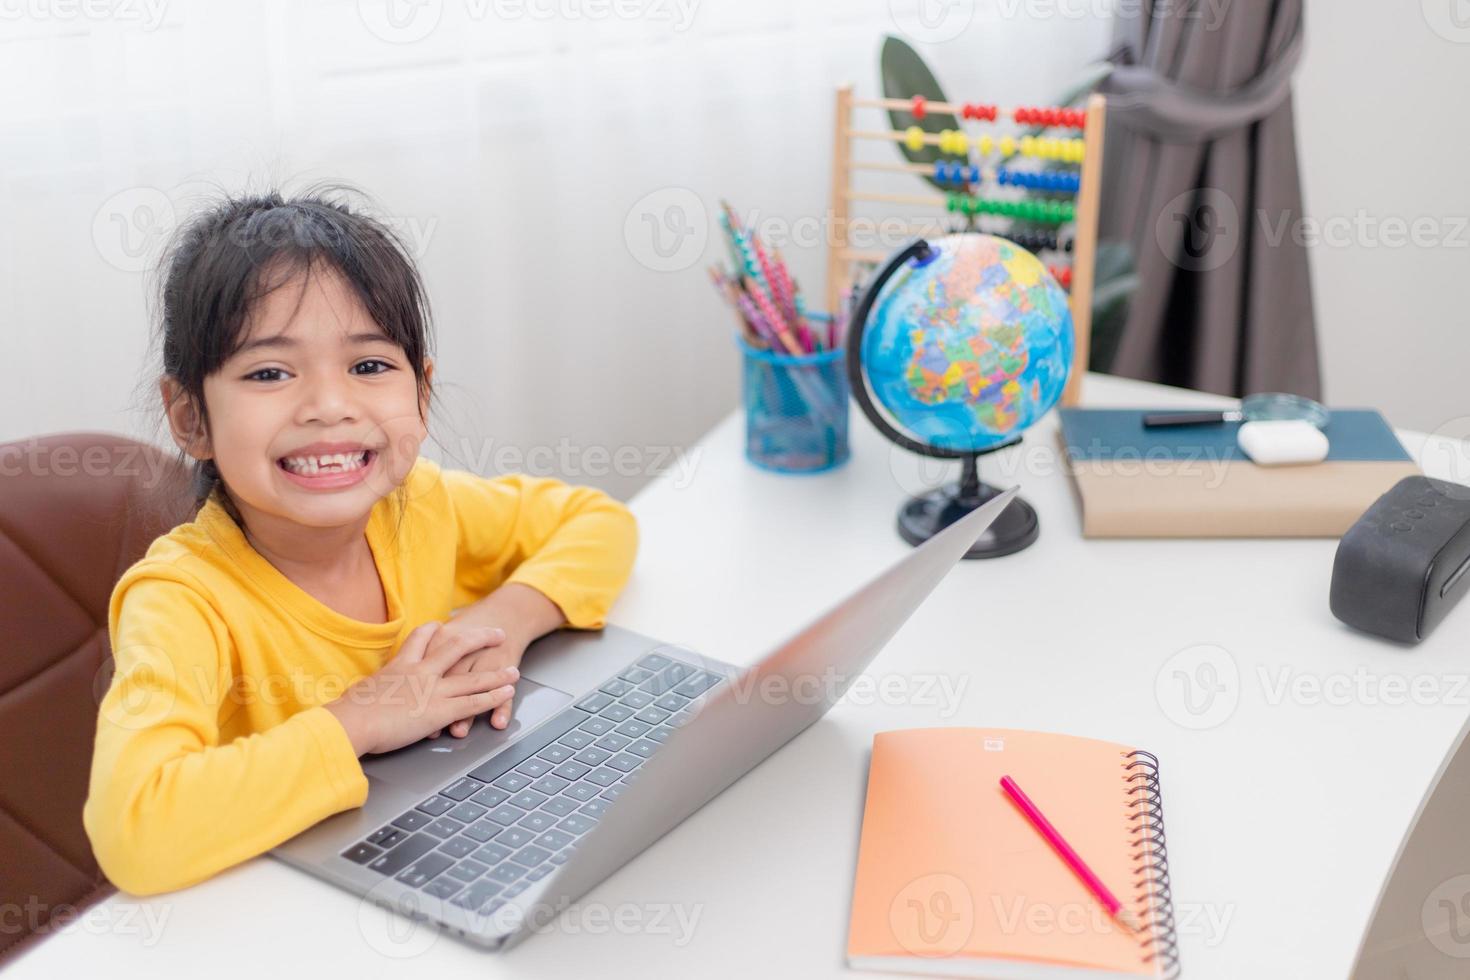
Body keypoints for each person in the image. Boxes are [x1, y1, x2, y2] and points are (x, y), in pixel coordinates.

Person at [83, 185, 638, 896]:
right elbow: (137, 831)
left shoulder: (421, 505)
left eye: (369, 366)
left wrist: (505, 620)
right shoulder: (182, 600)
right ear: (191, 418)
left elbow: (598, 522)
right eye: (270, 373)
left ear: (422, 394)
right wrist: (364, 716)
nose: (330, 407)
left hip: (446, 850)